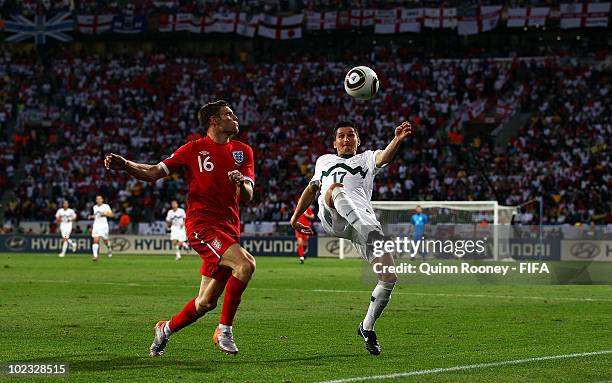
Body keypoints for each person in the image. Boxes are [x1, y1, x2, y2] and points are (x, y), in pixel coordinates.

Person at [104, 100, 255, 357]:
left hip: (229, 230)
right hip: (202, 226)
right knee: (246, 264)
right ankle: (224, 329)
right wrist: (126, 165)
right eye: (229, 114)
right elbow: (153, 172)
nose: (235, 118)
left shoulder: (243, 151)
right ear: (214, 121)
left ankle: (165, 329)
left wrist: (242, 182)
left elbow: (249, 195)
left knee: (205, 302)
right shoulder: (193, 150)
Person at [291, 120, 414, 355]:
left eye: (350, 135)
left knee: (389, 276)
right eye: (341, 136)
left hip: (364, 222)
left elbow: (384, 158)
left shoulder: (366, 158)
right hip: (333, 216)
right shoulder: (324, 161)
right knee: (334, 188)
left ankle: (366, 327)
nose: (346, 139)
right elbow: (311, 189)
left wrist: (396, 139)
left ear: (358, 140)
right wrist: (295, 217)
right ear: (334, 142)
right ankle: (367, 233)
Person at [88, 195, 113, 261]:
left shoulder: (106, 206)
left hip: (104, 225)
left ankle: (109, 248)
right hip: (96, 225)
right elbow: (95, 216)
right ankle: (95, 256)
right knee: (96, 239)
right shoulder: (94, 207)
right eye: (97, 199)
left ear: (102, 200)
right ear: (96, 200)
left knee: (105, 240)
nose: (98, 200)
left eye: (100, 199)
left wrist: (104, 214)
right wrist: (91, 216)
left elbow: (111, 215)